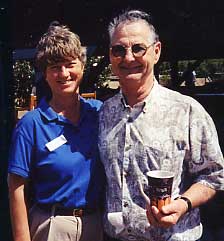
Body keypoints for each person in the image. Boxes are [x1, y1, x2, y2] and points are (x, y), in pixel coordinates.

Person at [98, 9, 224, 241]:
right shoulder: (104, 112)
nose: (128, 58)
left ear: (156, 52)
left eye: (138, 48)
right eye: (119, 50)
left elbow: (214, 175)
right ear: (111, 56)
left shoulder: (186, 111)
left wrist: (184, 204)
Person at [8, 23, 105, 241]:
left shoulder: (100, 113)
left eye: (70, 64)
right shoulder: (31, 125)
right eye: (54, 67)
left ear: (82, 66)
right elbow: (16, 188)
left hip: (97, 225)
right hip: (52, 226)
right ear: (45, 73)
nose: (64, 74)